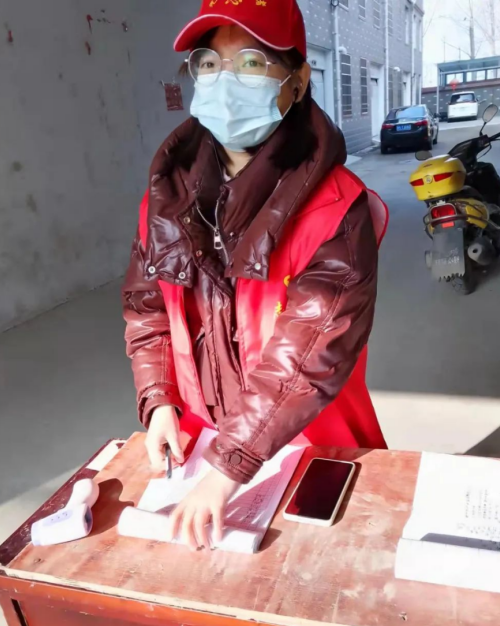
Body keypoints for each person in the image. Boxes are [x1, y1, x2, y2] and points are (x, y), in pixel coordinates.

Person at [123, 0, 388, 551]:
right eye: (209, 63)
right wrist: (161, 399)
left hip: (312, 443)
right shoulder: (165, 200)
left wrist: (229, 466)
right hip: (203, 444)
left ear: (297, 81)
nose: (224, 81)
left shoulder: (337, 209)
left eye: (250, 62)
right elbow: (148, 310)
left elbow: (307, 357)